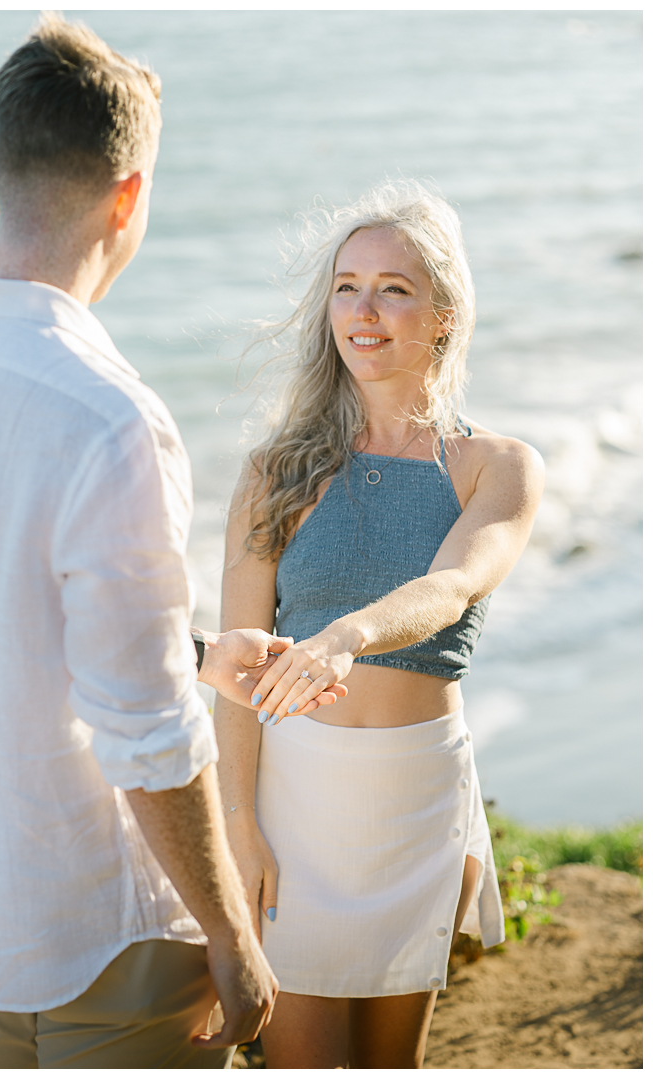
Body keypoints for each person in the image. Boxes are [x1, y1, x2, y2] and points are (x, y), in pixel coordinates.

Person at [0, 15, 345, 1069]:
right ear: (130, 196)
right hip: (99, 941)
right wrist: (229, 934)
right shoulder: (107, 416)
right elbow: (147, 734)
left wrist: (200, 651)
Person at [214, 179, 546, 1069]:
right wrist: (237, 828)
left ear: (442, 312)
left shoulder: (497, 466)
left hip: (420, 800)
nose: (365, 310)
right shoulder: (274, 471)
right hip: (294, 806)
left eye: (394, 288)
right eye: (346, 285)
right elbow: (233, 676)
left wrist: (347, 633)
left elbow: (454, 586)